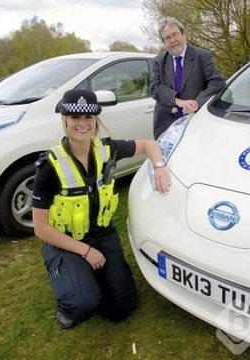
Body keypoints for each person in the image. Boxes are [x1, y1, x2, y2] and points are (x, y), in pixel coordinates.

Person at [32, 89, 171, 329]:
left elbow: (149, 144)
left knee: (121, 308)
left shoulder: (108, 149)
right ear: (64, 121)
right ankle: (70, 299)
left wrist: (159, 166)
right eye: (75, 118)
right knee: (83, 304)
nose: (83, 124)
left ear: (96, 120)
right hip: (65, 240)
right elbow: (41, 228)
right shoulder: (49, 166)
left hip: (102, 235)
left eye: (89, 117)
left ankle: (89, 277)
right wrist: (85, 251)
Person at [150, 17, 226, 139]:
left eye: (175, 34)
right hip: (166, 126)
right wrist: (178, 101)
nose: (173, 40)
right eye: (168, 38)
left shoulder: (202, 56)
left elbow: (218, 82)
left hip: (196, 122)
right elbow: (154, 88)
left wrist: (197, 102)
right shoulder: (159, 61)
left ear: (184, 34)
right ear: (164, 43)